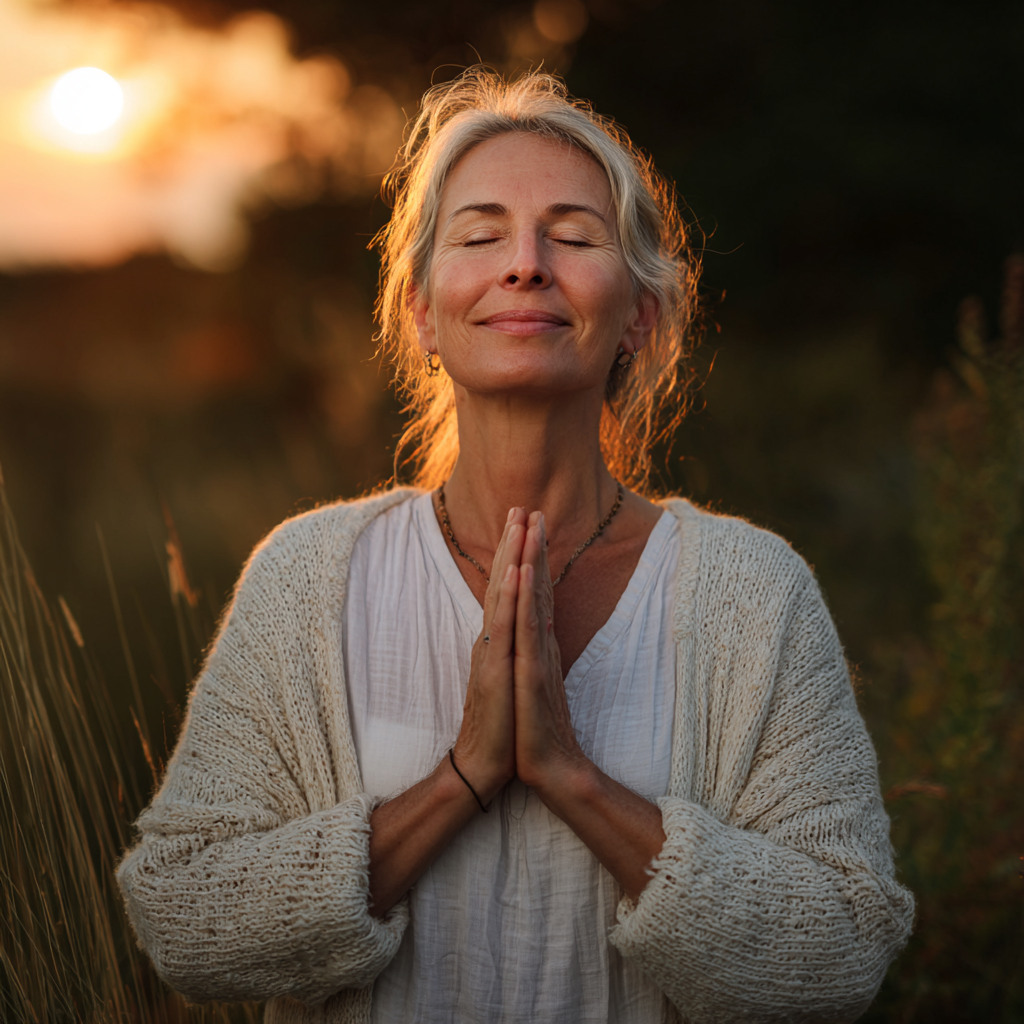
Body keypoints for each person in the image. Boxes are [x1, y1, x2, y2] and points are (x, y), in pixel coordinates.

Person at [117, 69, 914, 1024]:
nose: (526, 264)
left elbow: (842, 948)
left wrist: (572, 779)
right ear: (421, 311)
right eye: (481, 234)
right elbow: (181, 910)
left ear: (641, 316)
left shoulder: (753, 592)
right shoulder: (310, 577)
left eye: (574, 237)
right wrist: (462, 778)